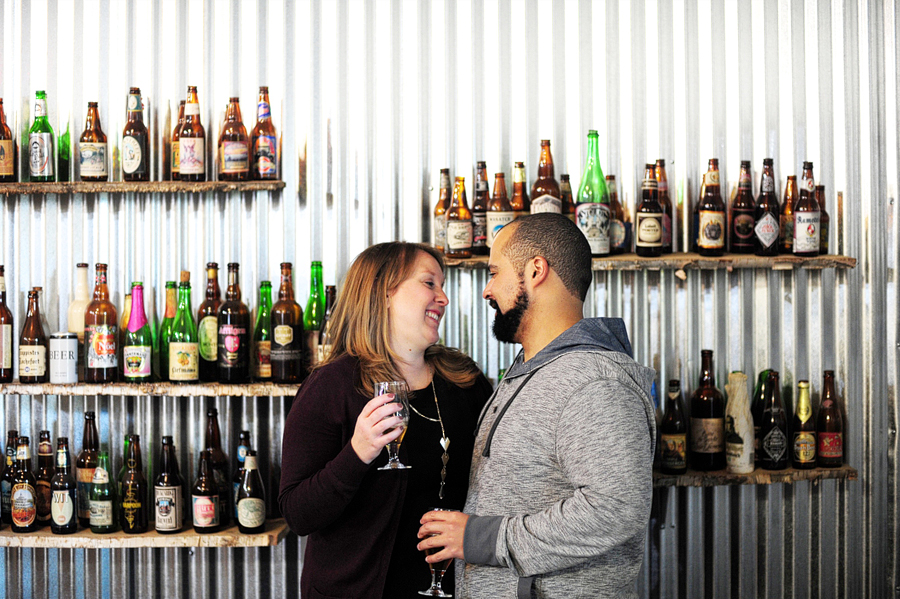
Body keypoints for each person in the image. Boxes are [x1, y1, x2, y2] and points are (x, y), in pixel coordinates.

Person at [418, 213, 656, 598]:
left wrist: (481, 539)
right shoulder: (530, 369)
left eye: (495, 273)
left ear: (535, 271)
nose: (487, 289)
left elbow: (616, 507)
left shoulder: (594, 382)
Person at [279, 241, 493, 599]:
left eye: (443, 286)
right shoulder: (332, 385)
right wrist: (357, 452)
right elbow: (298, 514)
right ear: (384, 293)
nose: (444, 298)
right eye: (429, 283)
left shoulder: (464, 380)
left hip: (455, 589)